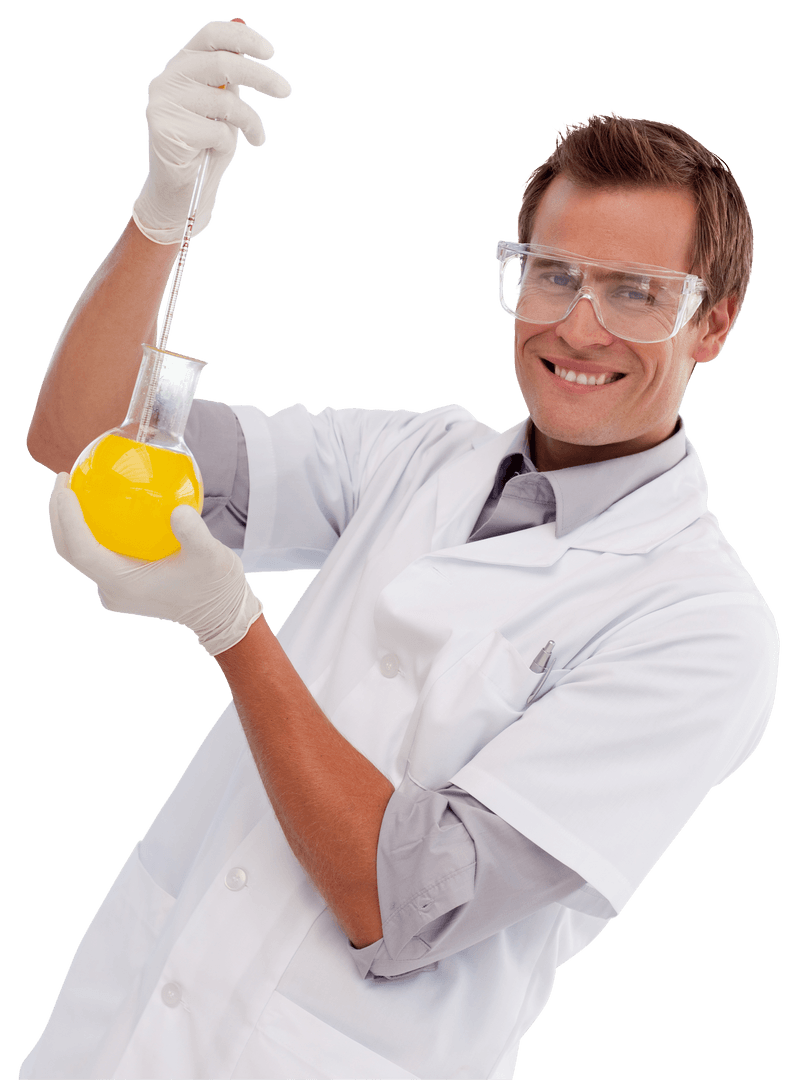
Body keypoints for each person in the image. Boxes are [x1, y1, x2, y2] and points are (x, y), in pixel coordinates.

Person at [21, 18, 779, 1080]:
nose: (579, 326)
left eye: (637, 294)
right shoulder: (415, 454)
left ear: (715, 325)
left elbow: (402, 899)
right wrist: (164, 215)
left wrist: (231, 624)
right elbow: (79, 436)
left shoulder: (702, 629)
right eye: (553, 273)